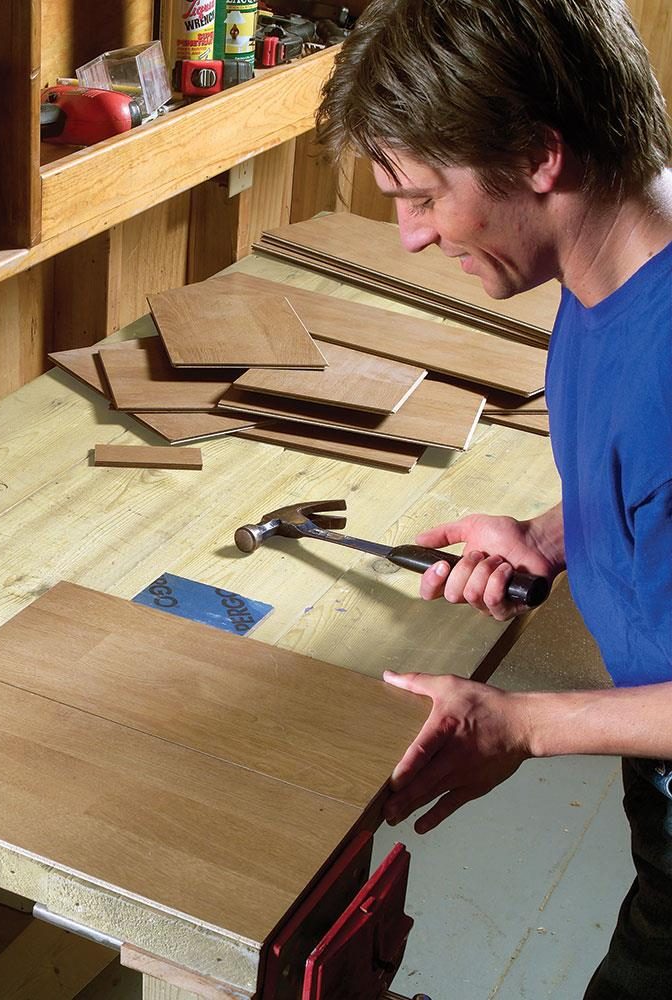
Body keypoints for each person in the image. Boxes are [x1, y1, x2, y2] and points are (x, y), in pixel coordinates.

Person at [315, 1, 672, 996]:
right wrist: (548, 536)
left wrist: (521, 725)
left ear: (537, 156)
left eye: (423, 195)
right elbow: (647, 479)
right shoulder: (616, 269)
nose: (413, 236)